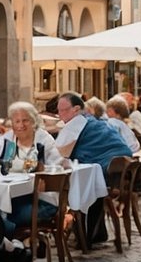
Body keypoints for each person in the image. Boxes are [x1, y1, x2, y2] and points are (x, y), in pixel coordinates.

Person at [54, 91, 132, 245]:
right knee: (86, 178)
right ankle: (93, 232)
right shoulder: (94, 121)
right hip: (119, 172)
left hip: (108, 173)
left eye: (62, 110)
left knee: (70, 184)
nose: (59, 114)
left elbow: (59, 152)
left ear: (76, 109)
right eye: (58, 110)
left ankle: (84, 234)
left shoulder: (75, 124)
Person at [0, 101, 63, 237]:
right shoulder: (9, 140)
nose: (21, 125)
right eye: (16, 121)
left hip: (43, 202)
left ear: (33, 121)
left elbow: (59, 167)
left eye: (25, 121)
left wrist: (44, 174)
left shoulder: (43, 140)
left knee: (2, 218)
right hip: (16, 198)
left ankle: (12, 249)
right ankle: (11, 248)